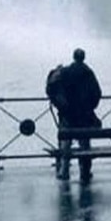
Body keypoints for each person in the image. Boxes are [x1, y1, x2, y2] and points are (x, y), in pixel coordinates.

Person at [46, 48, 102, 181]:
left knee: (65, 142)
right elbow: (97, 93)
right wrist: (89, 107)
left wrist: (60, 105)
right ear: (83, 58)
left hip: (67, 114)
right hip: (84, 115)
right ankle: (85, 170)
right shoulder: (88, 73)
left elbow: (52, 87)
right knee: (85, 144)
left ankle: (64, 170)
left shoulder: (64, 72)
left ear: (73, 57)